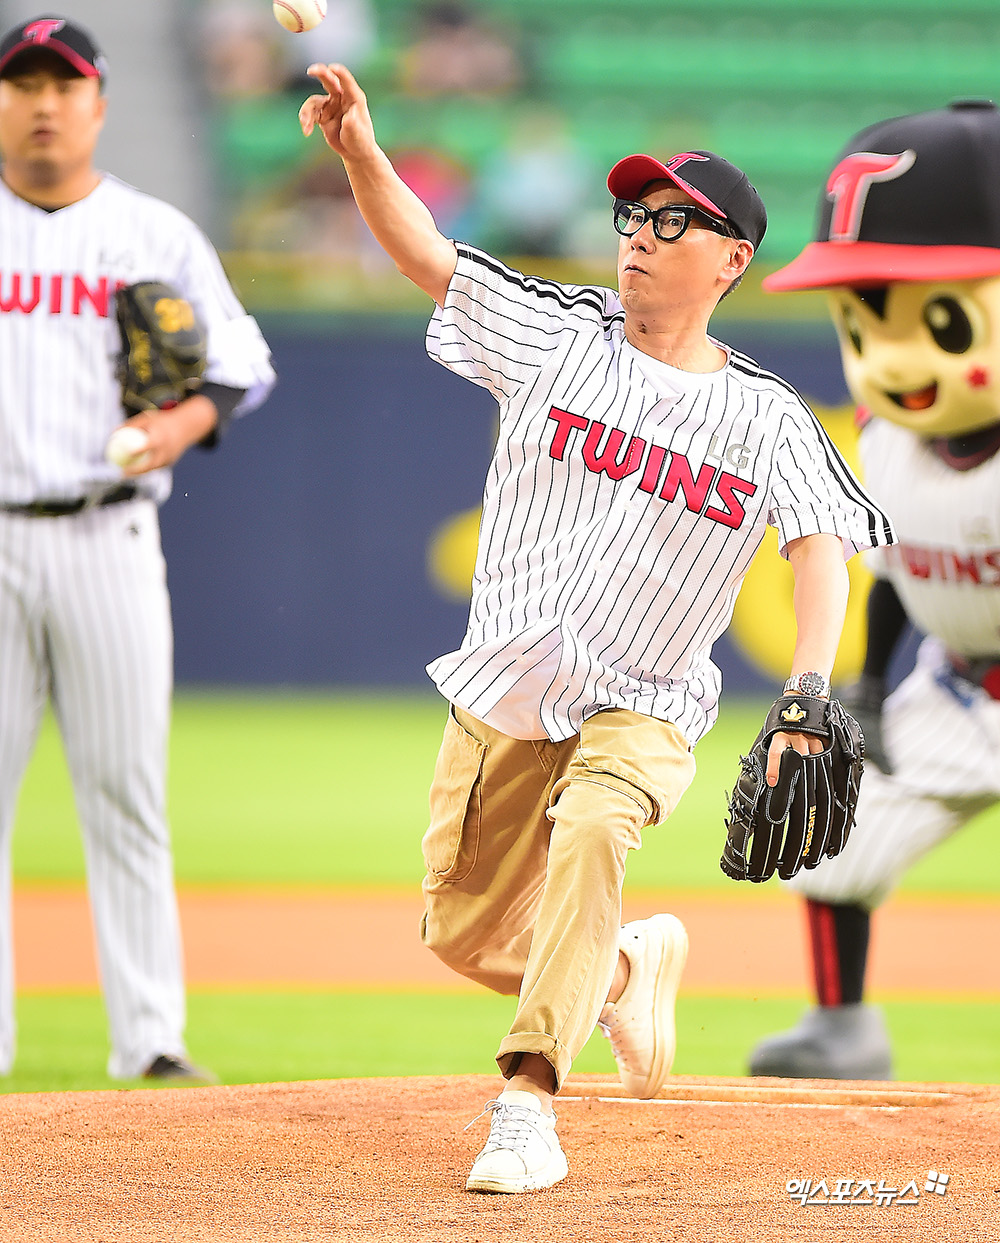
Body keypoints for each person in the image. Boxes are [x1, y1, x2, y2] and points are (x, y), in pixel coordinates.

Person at [298, 61, 893, 1193]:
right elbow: (426, 255)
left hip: (644, 701)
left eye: (675, 220)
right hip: (505, 689)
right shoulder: (555, 335)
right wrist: (363, 153)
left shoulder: (765, 415)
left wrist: (808, 688)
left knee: (592, 832)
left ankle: (526, 1102)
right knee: (461, 935)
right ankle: (620, 975)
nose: (641, 236)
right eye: (633, 215)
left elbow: (821, 542)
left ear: (732, 258)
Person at [0, 16, 275, 1082]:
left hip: (108, 529)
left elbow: (243, 360)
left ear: (98, 104)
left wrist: (178, 423)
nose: (43, 102)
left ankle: (151, 1040)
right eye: (23, 82)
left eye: (62, 84)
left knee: (124, 790)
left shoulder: (154, 232)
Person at [748, 100, 1000, 1081]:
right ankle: (839, 1027)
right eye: (863, 319)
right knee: (826, 837)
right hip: (958, 685)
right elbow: (895, 571)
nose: (892, 357)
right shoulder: (887, 437)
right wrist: (865, 686)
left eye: (939, 316)